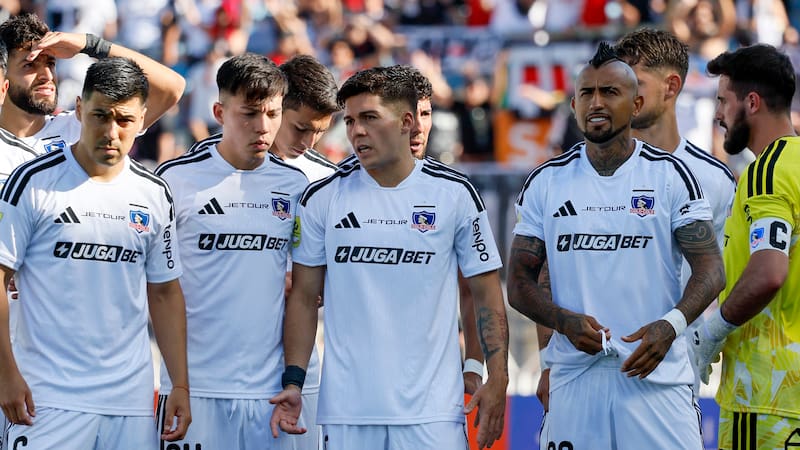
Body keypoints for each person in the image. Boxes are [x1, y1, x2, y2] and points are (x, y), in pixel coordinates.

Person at [269, 66, 509, 450]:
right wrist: (294, 382)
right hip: (348, 414)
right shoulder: (322, 198)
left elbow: (485, 292)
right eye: (350, 121)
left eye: (369, 117)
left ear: (406, 122)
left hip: (434, 413)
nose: (356, 132)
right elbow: (303, 297)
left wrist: (494, 375)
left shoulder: (454, 194)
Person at [507, 43, 725, 449]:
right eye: (586, 93)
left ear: (636, 103)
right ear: (574, 105)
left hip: (656, 380)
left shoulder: (671, 175)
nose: (596, 103)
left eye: (610, 92)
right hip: (575, 381)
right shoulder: (546, 181)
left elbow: (712, 270)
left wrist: (670, 326)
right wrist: (563, 323)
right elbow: (520, 282)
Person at [0, 57, 190, 449]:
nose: (110, 131)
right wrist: (5, 374)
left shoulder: (154, 194)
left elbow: (165, 292)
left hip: (130, 402)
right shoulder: (32, 181)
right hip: (46, 398)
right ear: (79, 109)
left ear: (141, 120)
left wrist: (180, 384)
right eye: (100, 115)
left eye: (124, 120)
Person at [155, 53, 312, 450]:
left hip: (270, 394)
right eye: (249, 114)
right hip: (194, 389)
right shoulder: (175, 179)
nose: (263, 127)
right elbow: (152, 282)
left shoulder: (296, 187)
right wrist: (179, 384)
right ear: (219, 112)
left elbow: (307, 289)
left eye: (273, 114)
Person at [337, 63, 487, 400]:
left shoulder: (453, 193)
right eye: (411, 115)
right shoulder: (333, 191)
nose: (417, 126)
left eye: (426, 113)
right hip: (356, 395)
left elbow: (474, 290)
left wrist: (475, 365)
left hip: (432, 397)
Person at [693, 44, 800, 449]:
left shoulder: (767, 172)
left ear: (751, 103)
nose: (718, 114)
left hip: (765, 395)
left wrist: (712, 332)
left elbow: (769, 272)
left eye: (723, 101)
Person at [0, 13, 185, 155]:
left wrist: (91, 45)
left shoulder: (83, 127)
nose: (47, 75)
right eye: (29, 65)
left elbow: (171, 88)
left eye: (51, 63)